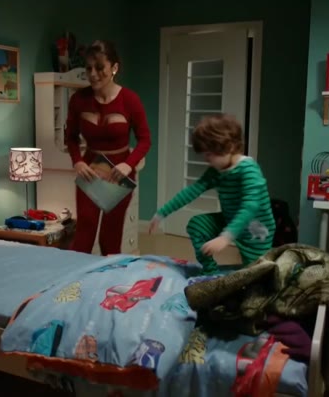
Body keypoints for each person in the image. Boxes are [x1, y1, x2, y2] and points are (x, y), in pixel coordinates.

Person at [148, 114, 274, 275]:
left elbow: (250, 206)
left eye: (209, 154)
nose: (206, 159)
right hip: (230, 220)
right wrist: (162, 213)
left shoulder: (249, 170)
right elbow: (192, 191)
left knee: (256, 272)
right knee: (197, 225)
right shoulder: (216, 171)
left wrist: (226, 237)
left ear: (228, 147)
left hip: (255, 229)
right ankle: (210, 271)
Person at [65, 40, 151, 255]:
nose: (93, 74)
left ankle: (110, 275)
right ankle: (77, 275)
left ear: (114, 67)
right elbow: (71, 137)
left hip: (119, 173)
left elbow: (145, 140)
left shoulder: (130, 100)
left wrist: (128, 165)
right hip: (89, 171)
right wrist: (77, 161)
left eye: (99, 67)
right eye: (89, 68)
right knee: (84, 231)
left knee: (110, 236)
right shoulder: (78, 100)